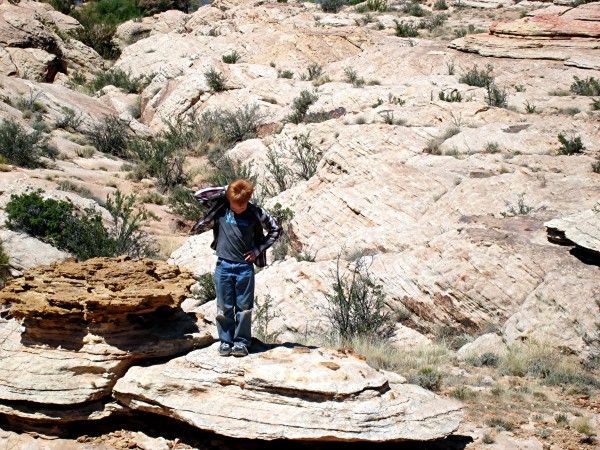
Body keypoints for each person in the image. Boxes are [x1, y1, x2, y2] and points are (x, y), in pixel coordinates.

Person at [192, 180, 281, 357]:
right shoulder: (222, 207)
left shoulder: (256, 212)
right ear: (228, 198)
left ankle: (241, 343)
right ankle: (226, 342)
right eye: (236, 204)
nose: (239, 208)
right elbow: (199, 195)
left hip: (244, 268)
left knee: (244, 307)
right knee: (224, 306)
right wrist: (229, 190)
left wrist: (257, 250)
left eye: (243, 205)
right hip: (223, 265)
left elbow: (275, 229)